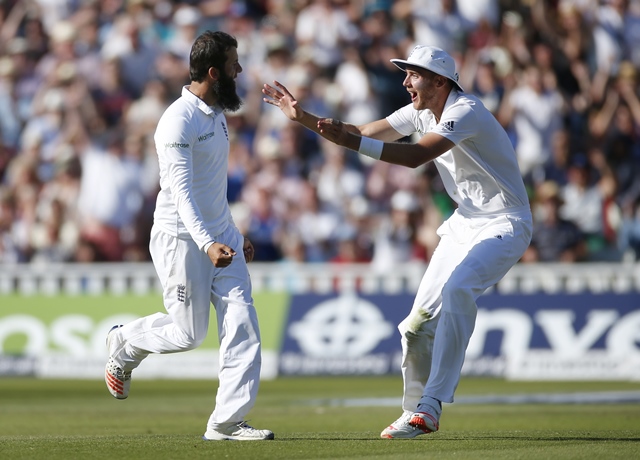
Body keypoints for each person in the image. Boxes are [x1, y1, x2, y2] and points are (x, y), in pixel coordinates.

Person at [263, 45, 532, 439]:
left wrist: (350, 142)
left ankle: (431, 406)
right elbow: (360, 133)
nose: (405, 81)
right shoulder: (419, 111)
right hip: (465, 222)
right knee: (415, 327)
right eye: (405, 74)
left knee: (458, 290)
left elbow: (415, 157)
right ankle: (414, 413)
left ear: (440, 81)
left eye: (414, 75)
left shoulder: (465, 111)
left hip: (506, 221)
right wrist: (302, 117)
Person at [104, 31, 274, 442]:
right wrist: (206, 242)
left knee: (243, 322)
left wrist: (233, 231)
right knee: (187, 335)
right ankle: (124, 342)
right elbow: (181, 194)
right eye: (233, 64)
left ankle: (227, 423)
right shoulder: (177, 121)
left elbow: (211, 189)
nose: (239, 70)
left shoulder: (216, 114)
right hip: (181, 238)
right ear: (214, 73)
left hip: (220, 236)